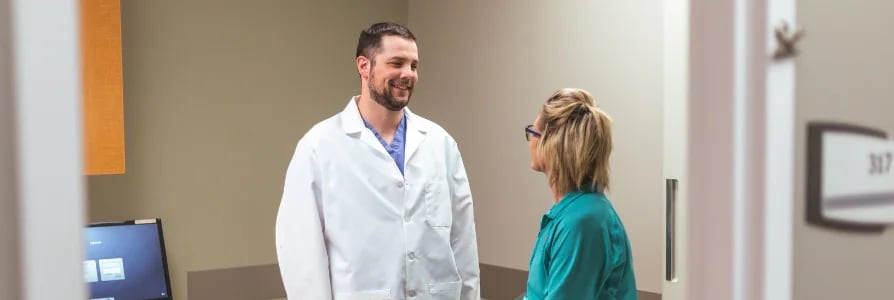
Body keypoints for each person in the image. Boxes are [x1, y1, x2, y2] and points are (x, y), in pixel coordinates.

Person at [275, 22, 480, 300]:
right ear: (364, 66)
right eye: (397, 63)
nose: (408, 74)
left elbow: (463, 241)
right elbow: (301, 253)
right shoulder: (319, 147)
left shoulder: (440, 143)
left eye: (414, 65)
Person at [523, 88, 637, 300]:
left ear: (551, 144)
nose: (530, 141)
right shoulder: (570, 213)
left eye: (533, 133)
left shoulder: (582, 222)